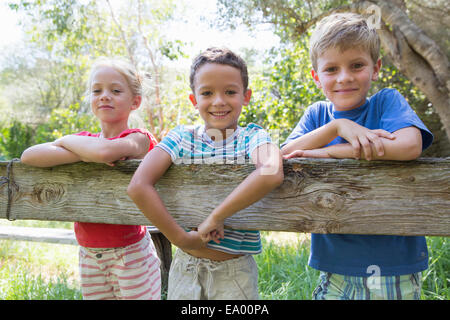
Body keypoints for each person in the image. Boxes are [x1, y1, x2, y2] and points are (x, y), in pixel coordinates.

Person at [281, 13, 434, 300]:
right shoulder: (318, 116)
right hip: (334, 264)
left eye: (357, 65)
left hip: (392, 265)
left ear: (375, 68)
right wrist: (338, 127)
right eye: (331, 69)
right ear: (316, 76)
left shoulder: (387, 102)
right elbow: (283, 155)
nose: (345, 77)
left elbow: (409, 146)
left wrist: (331, 151)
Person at [127, 47, 284, 300]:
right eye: (207, 93)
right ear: (194, 100)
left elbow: (272, 171)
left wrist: (216, 216)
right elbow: (138, 185)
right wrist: (182, 239)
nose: (219, 101)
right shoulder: (181, 137)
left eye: (230, 92)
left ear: (246, 96)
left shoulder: (252, 137)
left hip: (234, 273)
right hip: (185, 266)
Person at [20, 57, 161, 300]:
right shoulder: (84, 140)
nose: (105, 95)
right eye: (97, 90)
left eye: (115, 90)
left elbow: (105, 152)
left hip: (130, 254)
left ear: (135, 101)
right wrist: (74, 145)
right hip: (89, 254)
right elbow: (28, 156)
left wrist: (70, 147)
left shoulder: (139, 139)